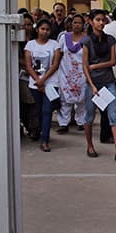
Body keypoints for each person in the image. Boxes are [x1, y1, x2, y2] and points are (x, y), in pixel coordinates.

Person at [82, 8, 116, 161]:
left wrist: (95, 66)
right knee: (89, 116)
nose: (101, 22)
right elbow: (84, 66)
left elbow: (113, 61)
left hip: (108, 82)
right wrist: (92, 85)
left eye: (103, 20)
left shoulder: (110, 40)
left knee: (113, 116)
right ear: (91, 21)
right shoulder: (87, 41)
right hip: (92, 84)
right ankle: (89, 145)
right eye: (97, 20)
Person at [24, 17, 61, 152]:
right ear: (37, 29)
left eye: (47, 29)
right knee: (39, 111)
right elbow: (28, 65)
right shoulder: (30, 45)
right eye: (42, 29)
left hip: (51, 83)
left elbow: (55, 64)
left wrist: (43, 79)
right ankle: (42, 132)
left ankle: (45, 140)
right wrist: (37, 80)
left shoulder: (54, 44)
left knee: (47, 111)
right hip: (35, 84)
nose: (45, 32)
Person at [54, 13, 89, 133]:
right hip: (65, 72)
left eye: (79, 23)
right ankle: (64, 123)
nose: (77, 25)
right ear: (71, 24)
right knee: (65, 99)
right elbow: (59, 54)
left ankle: (81, 121)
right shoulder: (64, 38)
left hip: (81, 74)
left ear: (83, 25)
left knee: (82, 99)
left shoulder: (87, 40)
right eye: (75, 22)